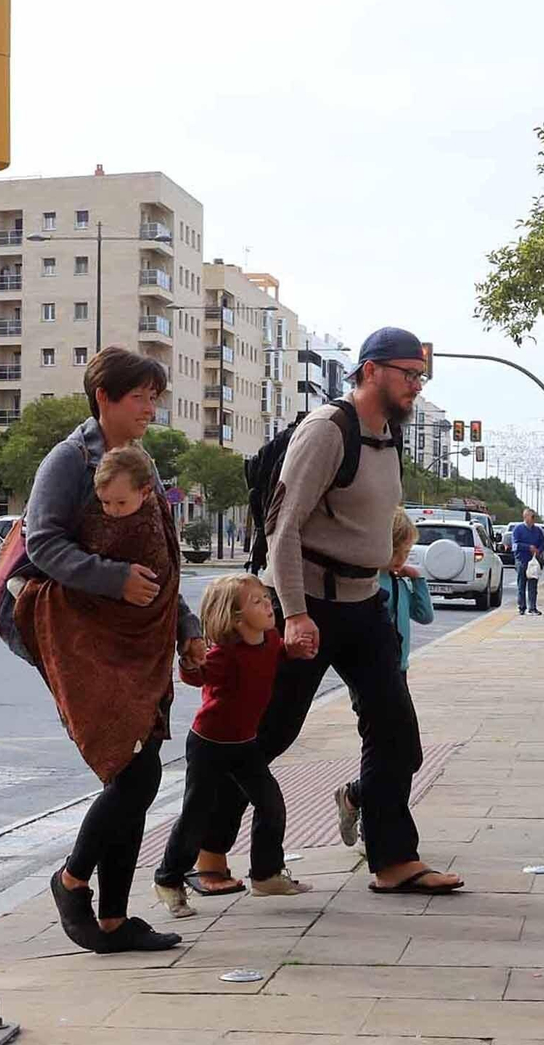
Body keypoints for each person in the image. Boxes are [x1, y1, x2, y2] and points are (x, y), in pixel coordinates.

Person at [192, 326, 463, 897]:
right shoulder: (326, 431)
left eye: (421, 375)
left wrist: (385, 561)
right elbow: (282, 527)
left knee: (397, 734)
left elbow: (365, 522)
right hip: (308, 604)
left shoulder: (388, 436)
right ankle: (210, 852)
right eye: (407, 374)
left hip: (364, 606)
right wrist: (292, 614)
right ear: (369, 371)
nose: (416, 384)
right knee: (266, 733)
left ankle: (393, 860)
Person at [2, 348, 206, 954]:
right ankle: (71, 880)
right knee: (134, 771)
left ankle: (114, 919)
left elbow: (160, 558)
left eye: (154, 397)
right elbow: (42, 543)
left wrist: (186, 625)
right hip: (85, 637)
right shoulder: (68, 460)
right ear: (105, 399)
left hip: (141, 639)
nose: (150, 408)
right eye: (139, 397)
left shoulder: (139, 461)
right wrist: (111, 579)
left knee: (137, 773)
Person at [153, 573, 312, 918]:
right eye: (257, 602)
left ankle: (266, 874)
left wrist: (294, 650)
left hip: (245, 744)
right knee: (196, 816)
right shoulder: (224, 654)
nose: (269, 606)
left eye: (267, 599)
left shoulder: (270, 641)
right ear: (235, 617)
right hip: (209, 744)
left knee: (271, 804)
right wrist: (189, 661)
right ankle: (168, 879)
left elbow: (277, 655)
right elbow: (196, 676)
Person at [335, 508, 433, 848]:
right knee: (387, 750)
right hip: (371, 674)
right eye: (397, 552)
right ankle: (372, 821)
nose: (400, 559)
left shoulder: (399, 581)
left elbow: (425, 615)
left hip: (398, 672)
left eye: (406, 553)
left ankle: (357, 797)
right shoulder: (368, 583)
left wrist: (416, 578)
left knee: (408, 755)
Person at [508, 507, 544, 616]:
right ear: (525, 517)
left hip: (534, 561)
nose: (533, 518)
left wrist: (539, 550)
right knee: (521, 584)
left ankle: (532, 607)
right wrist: (528, 547)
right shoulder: (518, 529)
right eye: (531, 516)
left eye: (534, 516)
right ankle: (522, 607)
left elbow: (542, 543)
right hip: (522, 560)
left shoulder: (538, 530)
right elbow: (515, 544)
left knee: (533, 585)